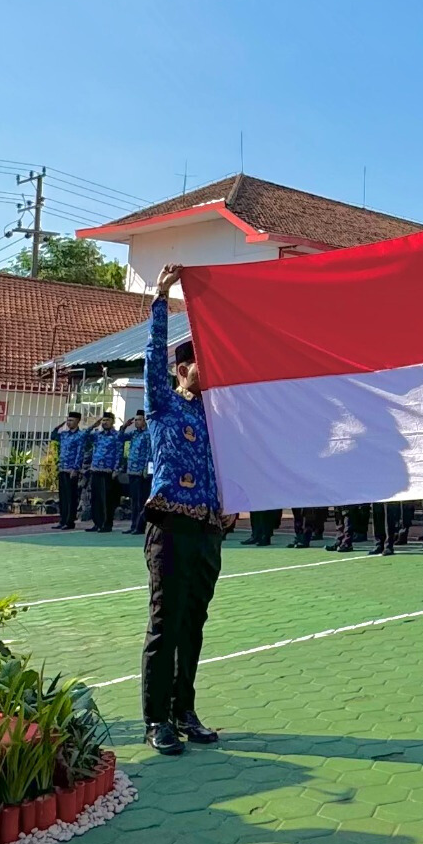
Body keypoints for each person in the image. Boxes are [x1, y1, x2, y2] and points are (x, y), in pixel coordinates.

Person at [141, 268, 237, 752]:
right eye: (202, 362)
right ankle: (156, 718)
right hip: (170, 528)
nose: (211, 370)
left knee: (194, 625)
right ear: (182, 369)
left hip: (207, 532)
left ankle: (185, 710)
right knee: (166, 623)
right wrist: (161, 299)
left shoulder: (217, 415)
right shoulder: (163, 404)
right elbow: (151, 359)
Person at [86, 414, 124, 534]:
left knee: (107, 499)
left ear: (112, 421)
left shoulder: (116, 436)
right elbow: (83, 437)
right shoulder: (98, 435)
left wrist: (116, 469)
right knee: (95, 498)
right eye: (103, 420)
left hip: (108, 471)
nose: (104, 422)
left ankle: (106, 524)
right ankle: (97, 523)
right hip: (96, 469)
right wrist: (92, 426)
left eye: (107, 420)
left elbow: (119, 453)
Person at [53, 412, 88, 529]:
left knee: (71, 497)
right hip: (62, 468)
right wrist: (58, 426)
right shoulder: (64, 434)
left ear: (78, 421)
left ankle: (69, 521)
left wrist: (76, 468)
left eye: (71, 420)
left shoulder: (80, 435)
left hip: (71, 470)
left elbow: (80, 453)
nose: (69, 423)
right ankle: (62, 520)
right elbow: (53, 436)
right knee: (62, 497)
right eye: (68, 420)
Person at [120, 410, 152, 534]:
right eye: (136, 420)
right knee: (134, 500)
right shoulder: (133, 433)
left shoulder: (148, 434)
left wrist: (146, 469)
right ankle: (133, 525)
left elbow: (150, 453)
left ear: (144, 421)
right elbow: (120, 438)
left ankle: (140, 526)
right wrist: (124, 426)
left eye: (139, 419)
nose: (136, 422)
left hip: (141, 472)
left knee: (141, 500)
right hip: (132, 470)